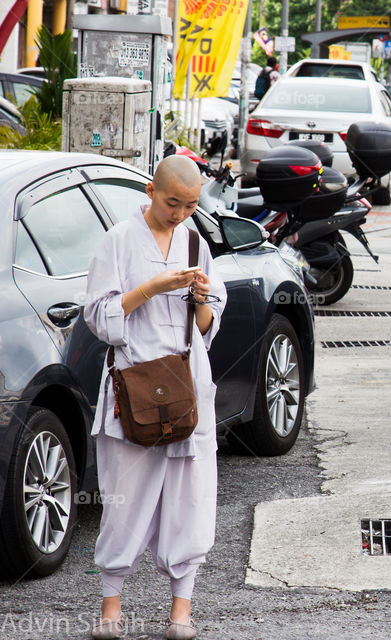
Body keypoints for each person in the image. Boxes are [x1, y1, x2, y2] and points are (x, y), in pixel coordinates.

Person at [84, 155, 227, 640]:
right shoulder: (118, 241)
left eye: (190, 206)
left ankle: (181, 612)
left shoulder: (193, 241)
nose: (181, 214)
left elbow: (206, 328)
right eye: (173, 203)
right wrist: (149, 289)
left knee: (191, 498)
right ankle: (110, 609)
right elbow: (101, 319)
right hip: (134, 385)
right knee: (123, 501)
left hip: (188, 387)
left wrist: (202, 298)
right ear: (150, 191)